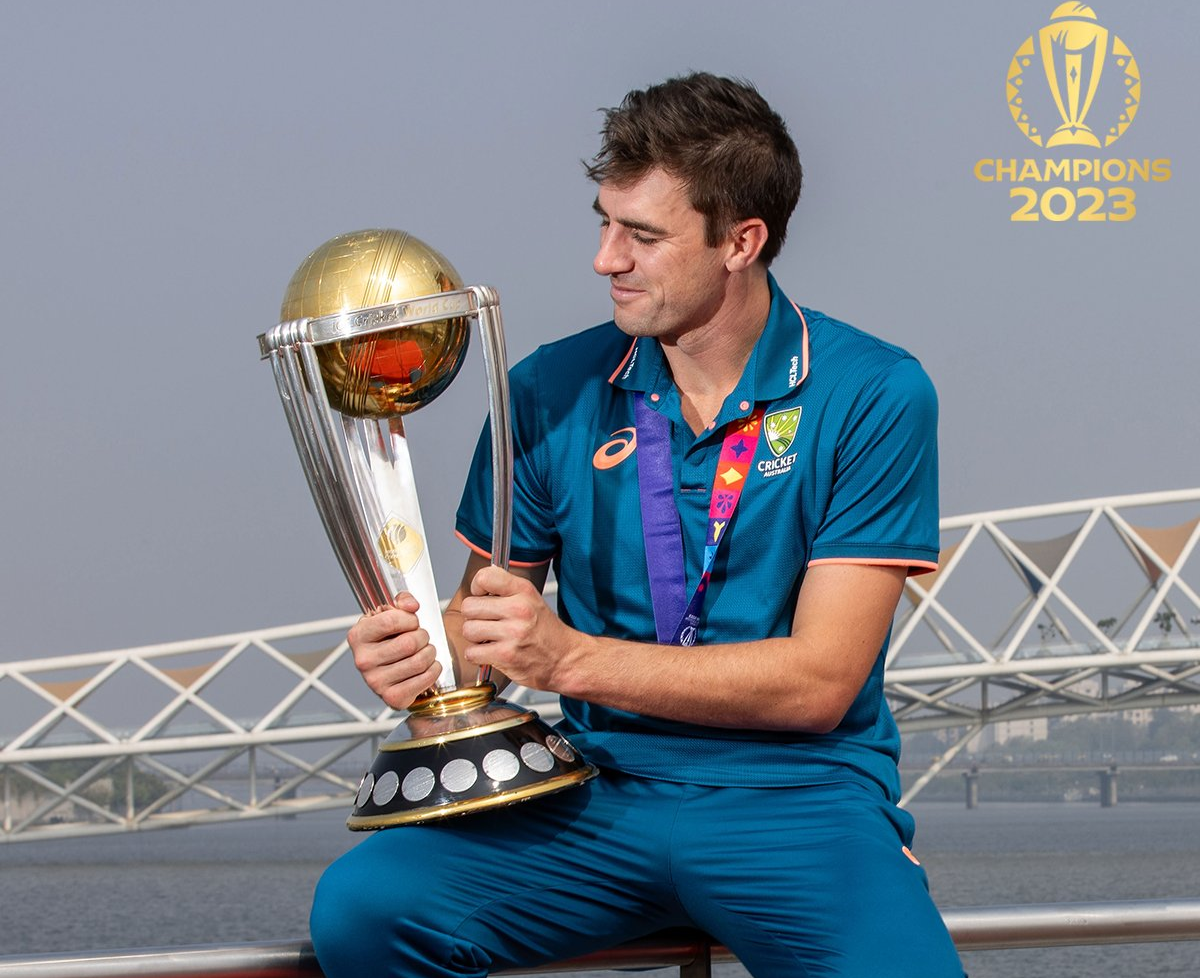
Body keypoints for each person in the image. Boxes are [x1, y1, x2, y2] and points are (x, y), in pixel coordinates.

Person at [309, 72, 965, 978]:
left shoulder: (873, 391)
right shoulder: (547, 386)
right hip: (592, 794)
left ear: (742, 241)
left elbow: (820, 682)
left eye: (643, 236)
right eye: (604, 222)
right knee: (364, 909)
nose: (605, 258)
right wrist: (425, 658)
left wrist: (570, 659)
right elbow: (486, 635)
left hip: (794, 798)